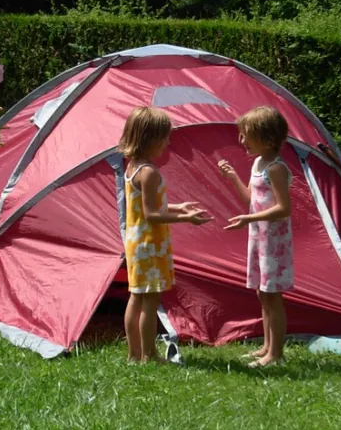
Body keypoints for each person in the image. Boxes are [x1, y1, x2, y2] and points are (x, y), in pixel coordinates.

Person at [119, 107, 211, 363]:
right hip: (150, 244)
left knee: (136, 297)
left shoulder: (133, 168)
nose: (168, 143)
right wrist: (186, 218)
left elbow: (145, 208)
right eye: (164, 138)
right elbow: (152, 214)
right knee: (150, 301)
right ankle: (149, 354)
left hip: (137, 242)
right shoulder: (149, 172)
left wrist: (178, 207)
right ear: (151, 139)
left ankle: (133, 354)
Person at [219, 106, 294, 367]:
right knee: (263, 293)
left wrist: (249, 219)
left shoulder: (276, 168)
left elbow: (284, 208)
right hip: (259, 237)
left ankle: (277, 354)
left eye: (247, 135)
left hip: (273, 241)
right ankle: (266, 346)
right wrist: (233, 178)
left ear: (270, 139)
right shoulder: (258, 163)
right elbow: (251, 198)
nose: (242, 141)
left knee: (272, 295)